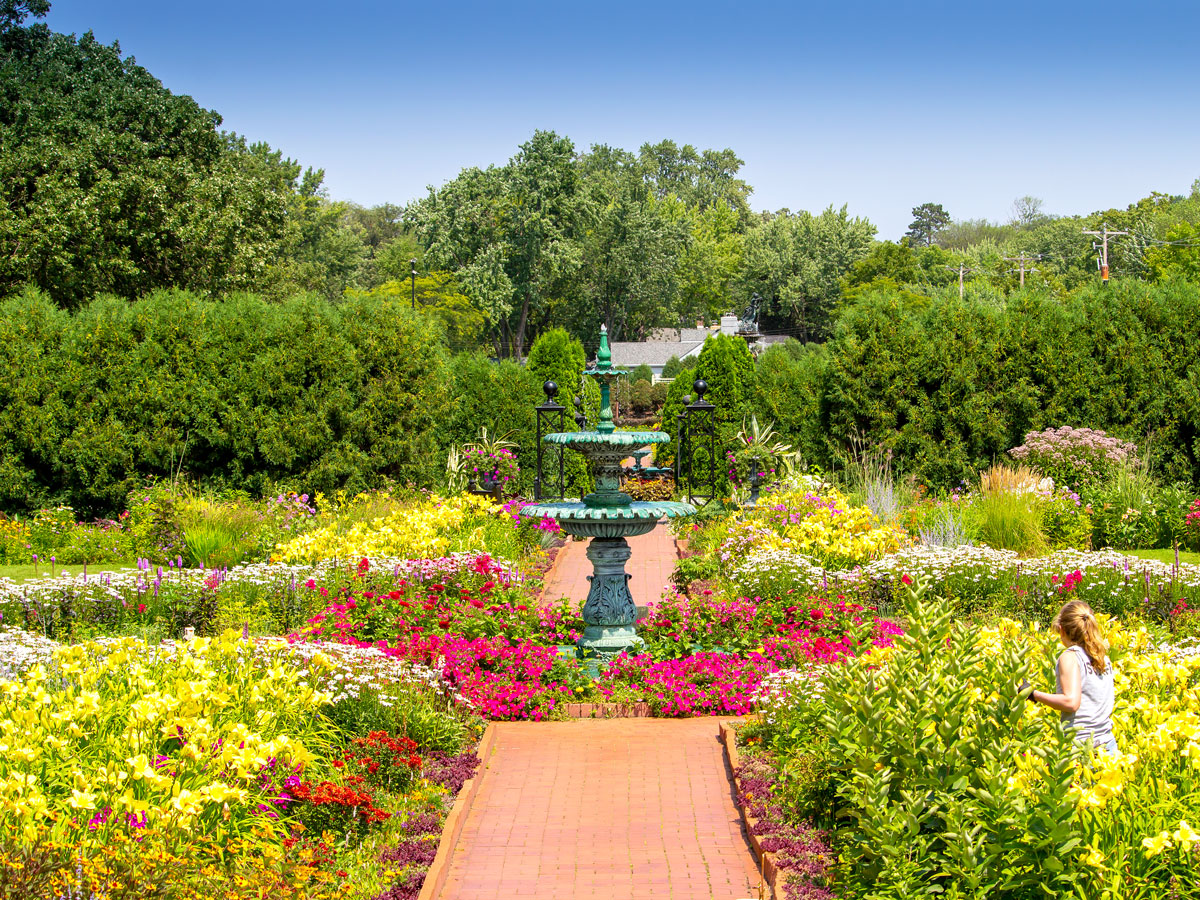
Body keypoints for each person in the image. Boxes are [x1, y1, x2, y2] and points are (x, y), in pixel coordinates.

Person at [1025, 599, 1118, 754]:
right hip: (1108, 744)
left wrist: (1033, 694)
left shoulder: (1070, 656)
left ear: (1062, 630)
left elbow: (1071, 702)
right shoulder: (1102, 658)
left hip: (1083, 747)